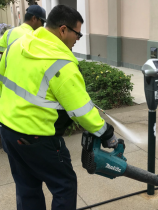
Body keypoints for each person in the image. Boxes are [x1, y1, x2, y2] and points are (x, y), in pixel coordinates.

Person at [0, 5, 119, 210]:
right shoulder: (61, 63)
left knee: (27, 186)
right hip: (39, 138)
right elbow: (82, 111)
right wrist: (106, 133)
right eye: (77, 34)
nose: (78, 39)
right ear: (63, 30)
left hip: (8, 131)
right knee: (64, 185)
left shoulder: (18, 44)